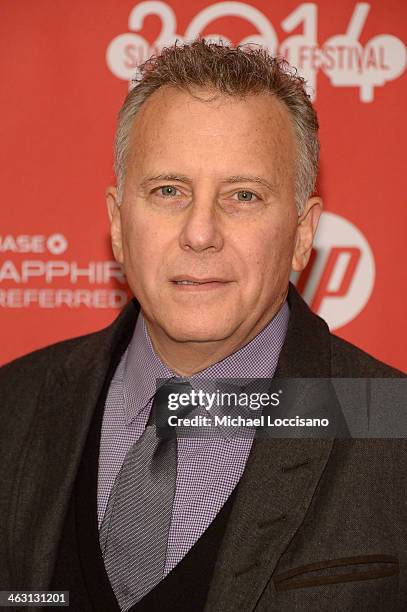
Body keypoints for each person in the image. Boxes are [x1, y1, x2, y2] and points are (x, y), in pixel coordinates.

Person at [0, 40, 406, 612]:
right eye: (169, 191)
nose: (199, 232)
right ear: (118, 224)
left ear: (304, 231)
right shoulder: (14, 404)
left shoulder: (392, 426)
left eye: (243, 195)